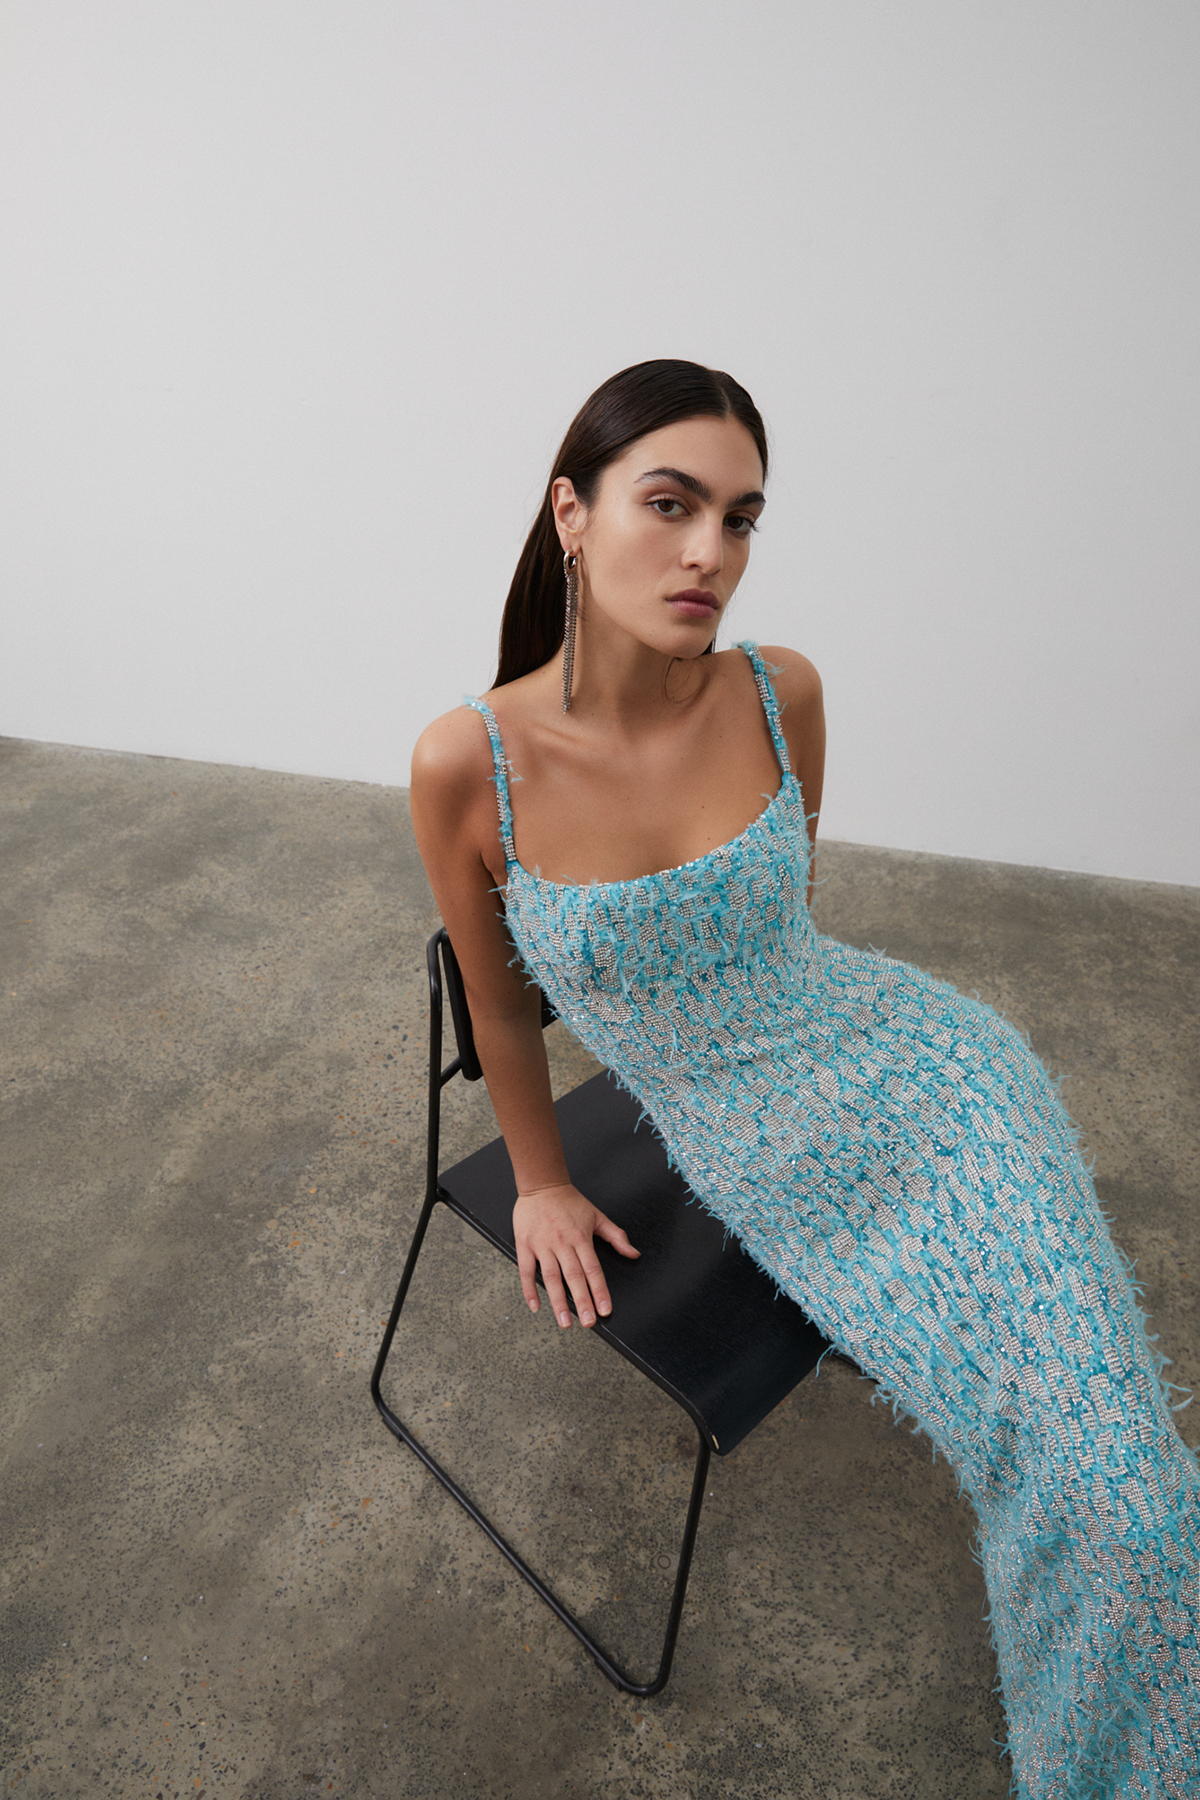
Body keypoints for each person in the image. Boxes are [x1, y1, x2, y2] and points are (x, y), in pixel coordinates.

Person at [410, 360, 1198, 1799]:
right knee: (1086, 1483)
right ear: (571, 513)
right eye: (669, 503)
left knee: (1123, 1486)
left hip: (942, 1074)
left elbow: (789, 929)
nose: (710, 551)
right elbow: (502, 1007)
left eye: (741, 517)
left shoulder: (784, 693)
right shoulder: (472, 762)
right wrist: (540, 1183)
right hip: (761, 1154)